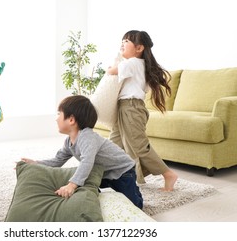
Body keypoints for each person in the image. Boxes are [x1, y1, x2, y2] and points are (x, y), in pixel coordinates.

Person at [21, 95, 144, 209]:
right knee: (87, 186)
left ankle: (136, 195)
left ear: (71, 120)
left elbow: (87, 162)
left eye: (59, 114)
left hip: (122, 171)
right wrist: (36, 163)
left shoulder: (87, 137)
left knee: (134, 205)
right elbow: (57, 161)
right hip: (102, 173)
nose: (56, 119)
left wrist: (72, 185)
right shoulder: (69, 142)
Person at [106, 30, 178, 191]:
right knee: (114, 144)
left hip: (131, 108)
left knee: (138, 145)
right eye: (122, 41)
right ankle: (112, 176)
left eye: (126, 41)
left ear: (139, 48)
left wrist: (113, 65)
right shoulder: (140, 65)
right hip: (126, 108)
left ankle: (168, 174)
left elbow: (111, 71)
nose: (122, 44)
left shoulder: (132, 63)